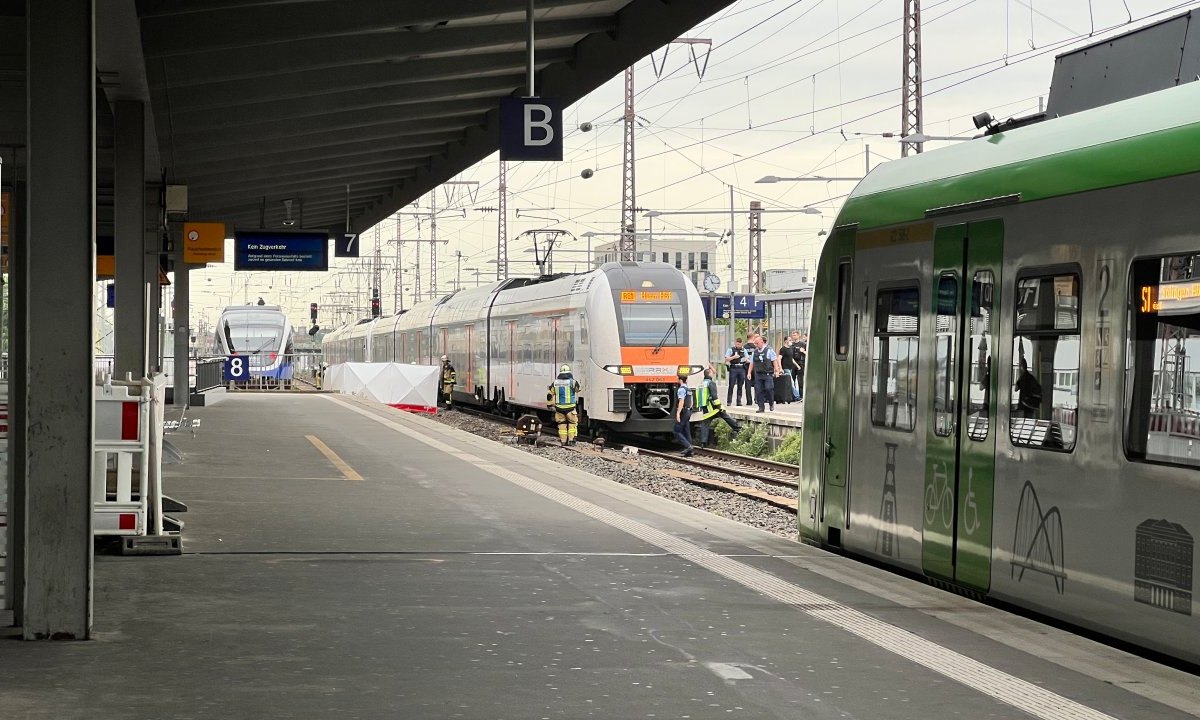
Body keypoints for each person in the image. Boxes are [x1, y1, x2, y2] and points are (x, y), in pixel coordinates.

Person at [695, 366, 742, 447]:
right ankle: (738, 429)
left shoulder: (700, 384)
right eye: (711, 372)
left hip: (705, 409)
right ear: (709, 374)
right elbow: (714, 396)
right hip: (713, 407)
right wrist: (719, 406)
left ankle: (703, 442)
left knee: (705, 425)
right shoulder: (711, 383)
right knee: (725, 416)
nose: (713, 373)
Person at [547, 364, 582, 446]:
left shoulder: (555, 383)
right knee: (572, 424)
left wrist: (549, 404)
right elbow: (578, 390)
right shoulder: (573, 382)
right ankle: (571, 441)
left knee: (562, 425)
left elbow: (549, 394)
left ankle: (563, 441)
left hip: (559, 408)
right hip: (570, 408)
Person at [747, 333, 782, 413]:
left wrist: (777, 370)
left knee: (769, 389)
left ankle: (771, 403)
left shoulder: (769, 350)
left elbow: (774, 361)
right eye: (755, 343)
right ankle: (761, 407)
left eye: (757, 343)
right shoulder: (755, 352)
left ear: (762, 342)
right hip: (758, 375)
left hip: (767, 374)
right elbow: (751, 363)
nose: (755, 345)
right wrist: (749, 373)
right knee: (759, 391)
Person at [1014, 346, 1042, 419]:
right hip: (1031, 406)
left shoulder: (1022, 378)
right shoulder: (1031, 377)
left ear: (1021, 367)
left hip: (1023, 406)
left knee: (1022, 423)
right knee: (1029, 423)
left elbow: (1016, 389)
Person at [673, 368, 695, 456]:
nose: (677, 380)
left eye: (677, 379)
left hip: (684, 411)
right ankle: (690, 451)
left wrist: (678, 413)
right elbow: (692, 402)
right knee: (686, 430)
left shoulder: (681, 389)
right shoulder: (688, 389)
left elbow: (681, 401)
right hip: (689, 410)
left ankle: (688, 446)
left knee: (676, 430)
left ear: (680, 380)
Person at [724, 337, 752, 406]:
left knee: (740, 385)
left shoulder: (744, 350)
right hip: (733, 368)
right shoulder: (731, 349)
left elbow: (747, 358)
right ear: (735, 343)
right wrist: (733, 357)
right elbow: (726, 359)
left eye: (739, 344)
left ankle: (739, 401)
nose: (738, 345)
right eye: (737, 344)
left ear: (742, 343)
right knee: (731, 385)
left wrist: (747, 360)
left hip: (741, 368)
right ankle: (729, 401)